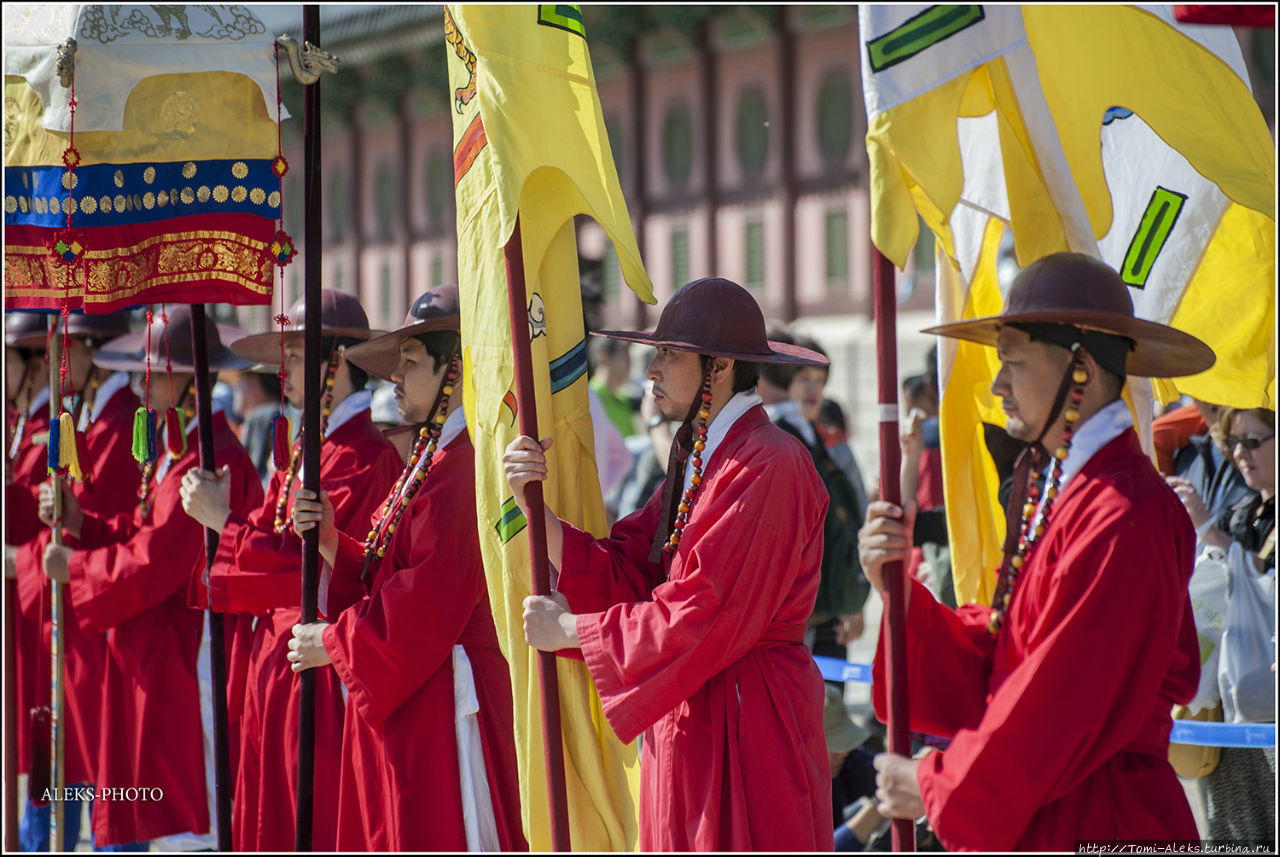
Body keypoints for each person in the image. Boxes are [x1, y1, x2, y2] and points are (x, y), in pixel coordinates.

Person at [859, 252, 1215, 850]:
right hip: (1051, 805)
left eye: (1014, 364)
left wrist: (936, 782)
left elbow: (1058, 695)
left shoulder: (1125, 511)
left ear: (1081, 369)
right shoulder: (1065, 489)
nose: (998, 386)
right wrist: (897, 593)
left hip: (1106, 816)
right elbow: (1007, 652)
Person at [506, 277, 834, 850]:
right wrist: (539, 513)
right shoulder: (702, 455)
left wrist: (576, 632)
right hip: (693, 708)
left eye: (670, 353)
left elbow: (702, 610)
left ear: (722, 365)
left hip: (746, 720)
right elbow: (635, 566)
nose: (651, 369)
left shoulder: (770, 463)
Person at [286, 286, 526, 852]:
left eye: (412, 362)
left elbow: (424, 605)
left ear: (456, 370)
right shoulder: (432, 455)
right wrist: (330, 542)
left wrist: (336, 642)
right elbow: (388, 571)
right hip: (417, 686)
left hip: (446, 695)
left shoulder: (461, 469)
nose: (396, 376)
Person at [178, 290, 403, 851]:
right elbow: (266, 538)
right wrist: (226, 520)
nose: (286, 372)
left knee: (311, 821)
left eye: (298, 358)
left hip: (320, 670)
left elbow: (303, 573)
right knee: (267, 819)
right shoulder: (310, 448)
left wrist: (224, 523)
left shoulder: (364, 455)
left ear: (336, 363)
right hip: (277, 664)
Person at [40, 306, 264, 849]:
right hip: (159, 651)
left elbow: (155, 559)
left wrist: (77, 568)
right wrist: (82, 524)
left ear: (187, 379)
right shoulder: (179, 451)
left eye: (153, 370)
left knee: (187, 822)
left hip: (191, 659)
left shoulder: (214, 461)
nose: (142, 380)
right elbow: (142, 529)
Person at [12, 311, 136, 850]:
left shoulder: (118, 421)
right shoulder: (87, 418)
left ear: (92, 350)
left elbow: (119, 529)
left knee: (105, 789)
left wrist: (62, 524)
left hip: (98, 619)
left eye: (67, 348)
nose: (56, 361)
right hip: (72, 612)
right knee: (60, 770)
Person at [1169, 406, 1275, 843]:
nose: (1240, 453)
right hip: (1231, 699)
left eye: (1253, 441)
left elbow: (1265, 580)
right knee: (1230, 827)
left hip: (1268, 705)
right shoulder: (1245, 506)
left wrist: (1209, 531)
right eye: (1234, 443)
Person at [775, 334, 869, 666]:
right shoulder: (775, 438)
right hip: (789, 613)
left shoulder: (829, 442)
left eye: (820, 380)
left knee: (832, 706)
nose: (813, 389)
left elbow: (852, 520)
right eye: (803, 379)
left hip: (830, 605)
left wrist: (852, 601)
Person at [230, 366, 284, 486]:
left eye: (240, 381)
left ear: (255, 382)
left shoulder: (272, 418)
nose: (234, 388)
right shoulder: (246, 425)